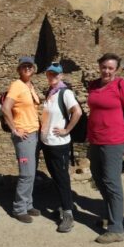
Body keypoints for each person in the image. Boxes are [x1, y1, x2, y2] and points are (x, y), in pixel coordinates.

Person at [87, 53, 124, 243]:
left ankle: (116, 229)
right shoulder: (93, 85)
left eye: (111, 68)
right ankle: (111, 216)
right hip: (95, 139)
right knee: (98, 178)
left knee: (112, 182)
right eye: (104, 67)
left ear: (116, 70)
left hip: (113, 140)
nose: (106, 71)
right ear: (99, 66)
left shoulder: (120, 85)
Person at [40, 62, 82, 233]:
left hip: (59, 144)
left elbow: (77, 111)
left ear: (61, 76)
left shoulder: (65, 92)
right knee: (56, 177)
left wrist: (66, 130)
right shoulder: (51, 93)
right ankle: (63, 206)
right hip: (48, 143)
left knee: (63, 179)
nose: (52, 77)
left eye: (56, 74)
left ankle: (68, 214)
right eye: (50, 74)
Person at [1, 56, 41, 223]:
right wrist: (14, 129)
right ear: (19, 69)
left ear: (33, 68)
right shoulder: (16, 85)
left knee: (31, 173)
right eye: (23, 66)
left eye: (29, 66)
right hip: (23, 136)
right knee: (26, 174)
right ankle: (18, 208)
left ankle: (28, 204)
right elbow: (6, 108)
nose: (26, 68)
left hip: (34, 134)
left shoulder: (30, 86)